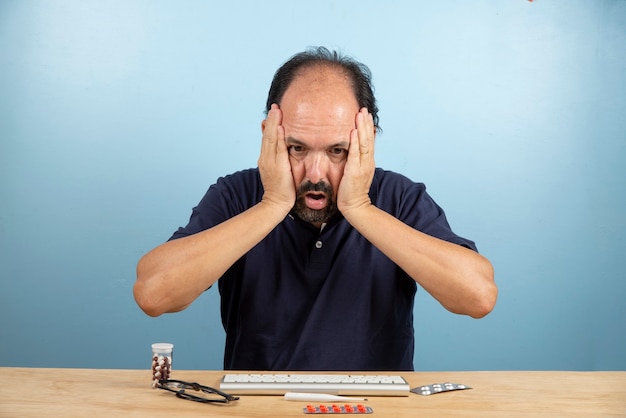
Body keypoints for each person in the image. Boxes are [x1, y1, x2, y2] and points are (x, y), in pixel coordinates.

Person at [134, 47, 497, 371]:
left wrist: (360, 207)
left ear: (366, 141)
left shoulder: (399, 197)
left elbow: (478, 296)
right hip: (256, 410)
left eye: (337, 151)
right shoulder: (235, 194)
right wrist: (272, 204)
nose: (315, 174)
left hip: (378, 410)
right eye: (297, 148)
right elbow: (153, 294)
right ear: (270, 136)